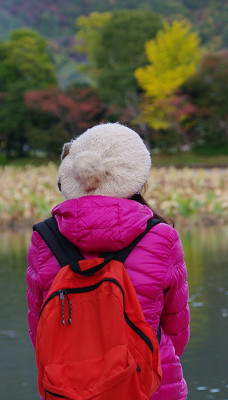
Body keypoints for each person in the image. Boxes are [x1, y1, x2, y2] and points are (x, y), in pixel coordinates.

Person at [26, 122, 190, 400]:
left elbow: (38, 328)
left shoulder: (45, 238)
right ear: (137, 177)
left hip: (70, 388)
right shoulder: (162, 236)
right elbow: (176, 328)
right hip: (150, 385)